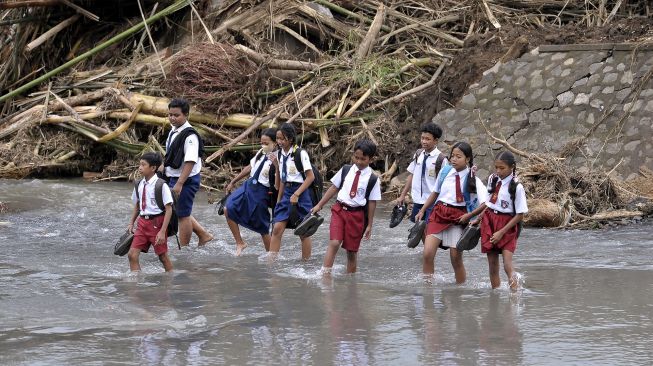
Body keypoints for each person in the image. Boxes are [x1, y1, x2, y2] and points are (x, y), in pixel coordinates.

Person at [415, 142, 487, 283]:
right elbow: (435, 193)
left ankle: (459, 291)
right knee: (427, 253)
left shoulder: (473, 179)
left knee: (455, 258)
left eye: (458, 156)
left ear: (467, 159)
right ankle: (427, 289)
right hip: (438, 213)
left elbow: (486, 203)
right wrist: (422, 210)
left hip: (458, 218)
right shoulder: (445, 172)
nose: (453, 159)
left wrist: (470, 216)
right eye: (452, 156)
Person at [311, 140, 381, 274]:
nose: (359, 161)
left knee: (351, 252)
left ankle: (350, 283)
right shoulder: (346, 170)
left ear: (371, 159)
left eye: (363, 159)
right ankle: (325, 275)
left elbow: (372, 203)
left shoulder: (373, 179)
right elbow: (333, 188)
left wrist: (369, 225)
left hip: (356, 216)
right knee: (335, 242)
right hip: (339, 210)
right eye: (356, 157)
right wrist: (319, 205)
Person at [163, 98, 213, 247]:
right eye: (170, 114)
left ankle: (184, 249)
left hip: (185, 179)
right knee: (179, 210)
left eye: (176, 115)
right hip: (173, 176)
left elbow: (190, 161)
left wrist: (179, 184)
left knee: (182, 215)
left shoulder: (190, 136)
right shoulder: (174, 130)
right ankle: (204, 235)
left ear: (186, 115)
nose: (172, 118)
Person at [224, 128, 279, 256]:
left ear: (275, 143)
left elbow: (280, 180)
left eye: (266, 143)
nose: (263, 145)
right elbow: (250, 167)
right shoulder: (261, 152)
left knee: (262, 227)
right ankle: (240, 242)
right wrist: (233, 181)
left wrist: (276, 165)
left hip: (262, 192)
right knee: (228, 208)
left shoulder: (279, 158)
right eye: (262, 143)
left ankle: (272, 256)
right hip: (248, 186)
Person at [480, 151, 527, 290]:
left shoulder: (517, 187)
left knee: (507, 264)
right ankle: (495, 296)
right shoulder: (493, 179)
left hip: (508, 225)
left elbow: (520, 215)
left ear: (512, 167)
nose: (499, 171)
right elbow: (489, 203)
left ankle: (515, 295)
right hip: (489, 221)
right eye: (496, 167)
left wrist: (501, 232)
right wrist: (478, 218)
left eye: (502, 168)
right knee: (492, 264)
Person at [268, 123, 315, 260]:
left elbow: (310, 177)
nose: (279, 142)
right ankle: (271, 262)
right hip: (287, 192)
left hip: (301, 192)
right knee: (277, 229)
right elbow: (283, 180)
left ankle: (305, 264)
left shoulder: (300, 153)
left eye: (283, 139)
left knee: (303, 232)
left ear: (291, 139)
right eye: (277, 138)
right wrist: (278, 200)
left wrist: (297, 194)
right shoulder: (281, 155)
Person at [127, 152, 174, 272]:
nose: (140, 167)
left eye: (143, 165)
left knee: (163, 257)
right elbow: (137, 206)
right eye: (139, 164)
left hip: (157, 223)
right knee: (132, 255)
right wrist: (131, 222)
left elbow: (169, 209)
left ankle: (171, 283)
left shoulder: (161, 185)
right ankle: (136, 284)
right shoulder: (138, 184)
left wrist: (162, 232)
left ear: (153, 168)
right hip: (142, 223)